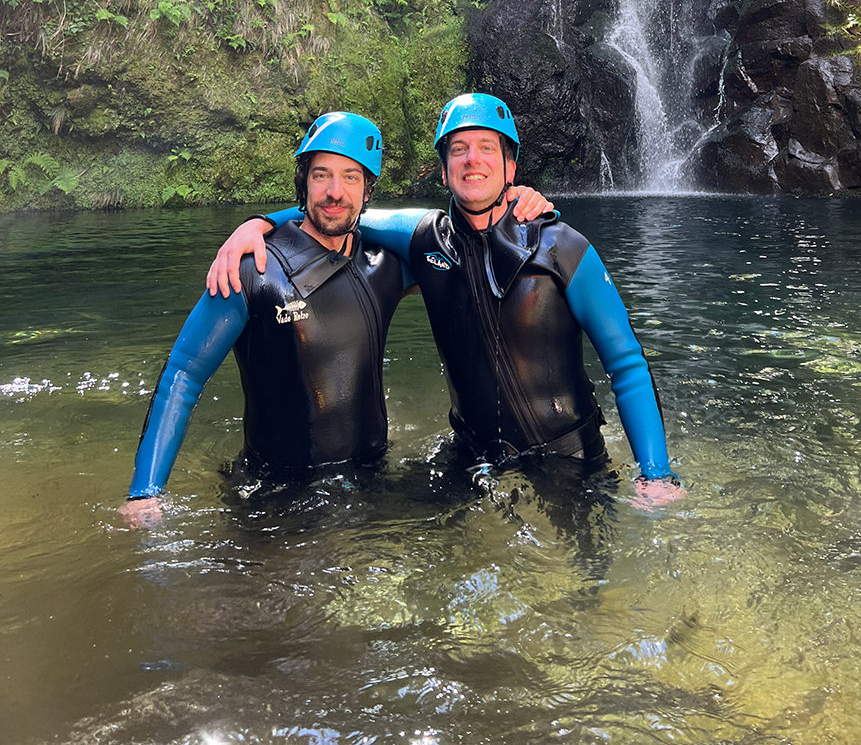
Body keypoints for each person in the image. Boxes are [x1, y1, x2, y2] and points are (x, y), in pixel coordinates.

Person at [209, 94, 685, 507]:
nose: (471, 160)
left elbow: (626, 365)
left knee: (584, 599)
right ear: (443, 169)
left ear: (510, 166)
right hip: (468, 457)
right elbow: (335, 209)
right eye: (458, 150)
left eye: (485, 148)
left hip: (567, 457)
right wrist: (259, 222)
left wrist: (656, 473)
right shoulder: (423, 239)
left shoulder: (562, 246)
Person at [118, 109, 550, 527]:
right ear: (303, 182)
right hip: (275, 492)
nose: (334, 192)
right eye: (322, 174)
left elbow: (474, 249)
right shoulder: (250, 269)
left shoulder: (386, 267)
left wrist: (524, 207)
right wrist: (145, 493)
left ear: (367, 192)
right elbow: (183, 375)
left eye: (350, 177)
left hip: (373, 479)